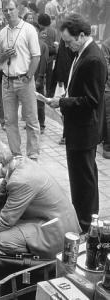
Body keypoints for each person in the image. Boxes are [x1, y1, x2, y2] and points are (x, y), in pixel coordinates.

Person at [0, 142, 81, 258]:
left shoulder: (20, 180)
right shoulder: (17, 163)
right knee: (2, 203)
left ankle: (41, 260)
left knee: (3, 239)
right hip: (53, 218)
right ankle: (28, 238)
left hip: (57, 230)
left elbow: (4, 221)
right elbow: (0, 193)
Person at [48, 14, 107, 232]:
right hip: (78, 128)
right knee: (80, 178)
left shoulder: (93, 58)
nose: (66, 45)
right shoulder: (81, 52)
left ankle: (86, 224)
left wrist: (62, 102)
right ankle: (83, 218)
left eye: (69, 41)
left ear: (81, 36)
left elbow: (91, 101)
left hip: (85, 130)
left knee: (85, 180)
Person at [0, 0, 41, 161]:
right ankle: (16, 154)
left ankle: (33, 155)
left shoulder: (28, 29)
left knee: (31, 119)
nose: (8, 13)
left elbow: (36, 56)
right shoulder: (2, 32)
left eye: (11, 9)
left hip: (25, 79)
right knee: (10, 121)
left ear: (18, 9)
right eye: (5, 10)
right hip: (7, 81)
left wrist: (28, 77)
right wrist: (4, 55)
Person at [33, 22, 49, 134]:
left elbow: (44, 63)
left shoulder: (43, 45)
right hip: (28, 78)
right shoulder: (27, 43)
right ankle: (33, 123)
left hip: (38, 77)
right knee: (30, 103)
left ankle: (42, 124)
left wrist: (40, 77)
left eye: (35, 31)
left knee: (40, 103)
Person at [38, 13, 58, 98]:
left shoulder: (40, 30)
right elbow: (55, 44)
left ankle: (41, 94)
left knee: (40, 76)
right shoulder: (54, 31)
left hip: (41, 57)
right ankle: (49, 95)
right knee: (49, 78)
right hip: (50, 58)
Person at [102, 38, 110, 159]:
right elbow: (106, 67)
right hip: (108, 87)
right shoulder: (106, 44)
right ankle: (108, 146)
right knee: (109, 116)